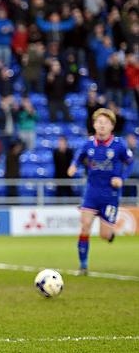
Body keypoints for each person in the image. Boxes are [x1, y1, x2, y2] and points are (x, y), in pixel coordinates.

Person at [67, 109, 133, 275]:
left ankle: (110, 235)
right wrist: (74, 165)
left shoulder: (119, 145)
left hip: (110, 195)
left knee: (105, 234)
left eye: (106, 123)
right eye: (99, 122)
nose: (102, 125)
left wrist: (121, 178)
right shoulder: (88, 144)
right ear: (94, 125)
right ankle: (83, 266)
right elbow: (78, 156)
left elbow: (131, 163)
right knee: (85, 226)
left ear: (112, 126)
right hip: (92, 193)